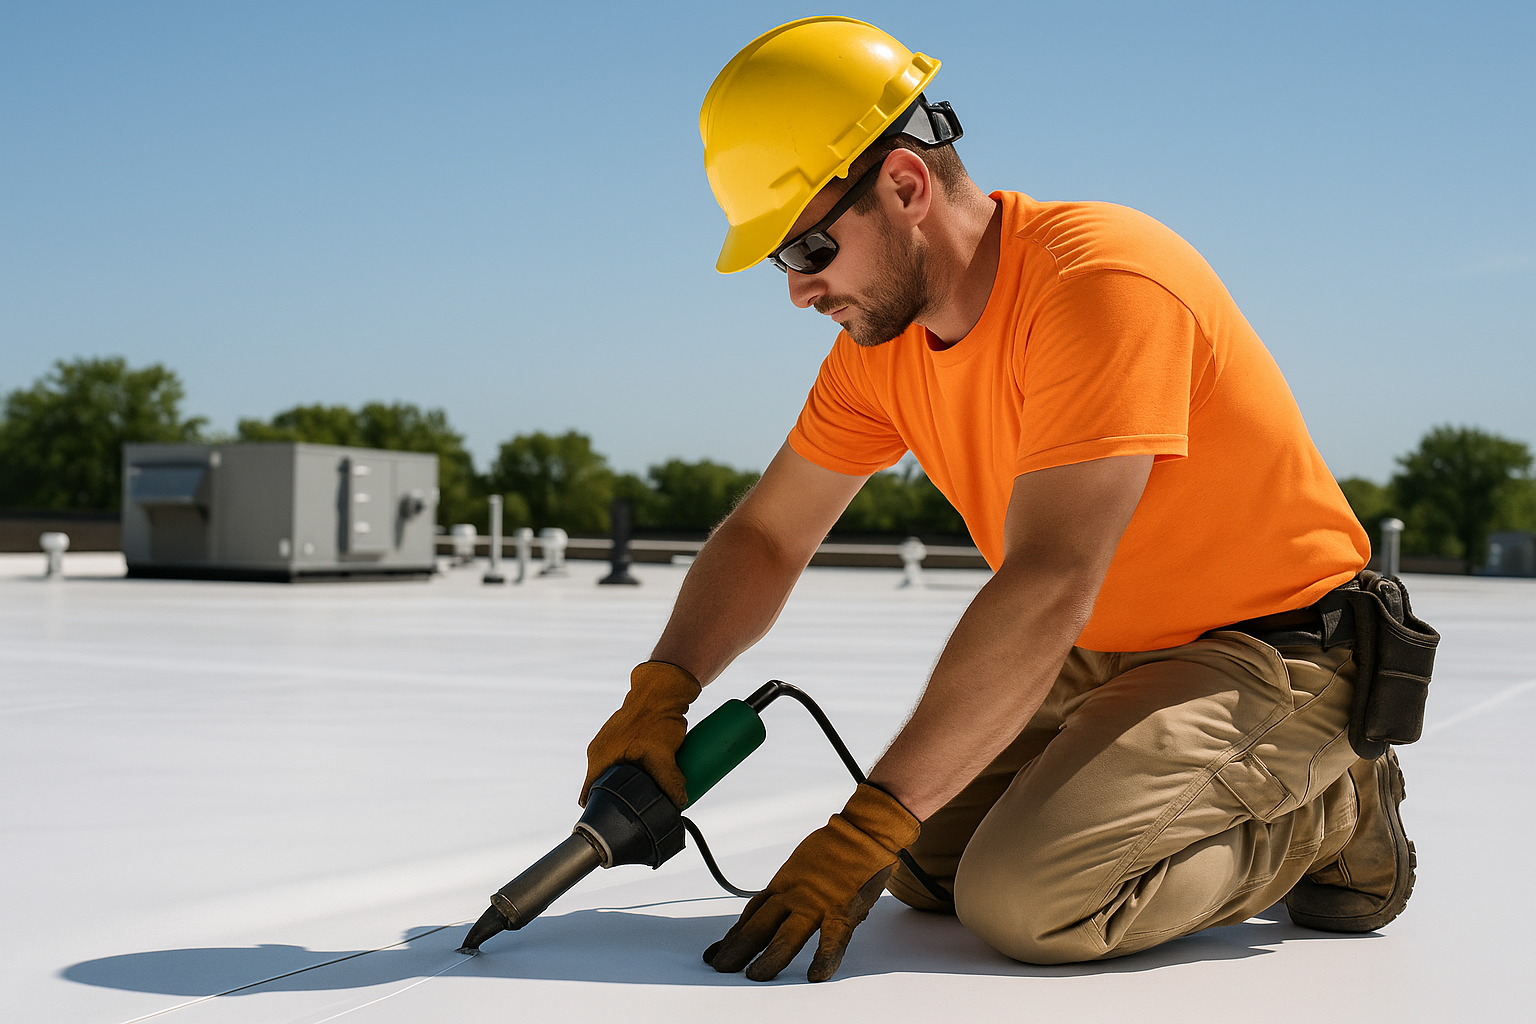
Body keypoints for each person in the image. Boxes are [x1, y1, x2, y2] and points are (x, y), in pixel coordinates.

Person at [581, 15, 1421, 982]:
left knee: (1029, 901)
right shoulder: (881, 353)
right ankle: (1208, 786)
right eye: (783, 260)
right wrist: (663, 690)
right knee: (924, 867)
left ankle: (1334, 804)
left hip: (1277, 646)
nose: (799, 293)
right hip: (1112, 650)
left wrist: (865, 820)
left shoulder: (1099, 283)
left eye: (810, 249)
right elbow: (770, 535)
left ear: (904, 185)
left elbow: (1053, 575)